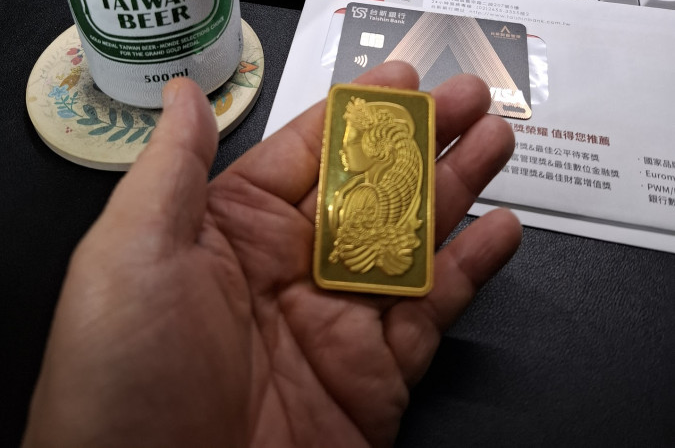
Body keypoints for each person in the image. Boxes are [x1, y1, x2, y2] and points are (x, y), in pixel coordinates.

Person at [21, 61, 522, 448]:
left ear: (381, 146)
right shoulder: (359, 198)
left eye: (354, 139)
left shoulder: (367, 200)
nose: (344, 149)